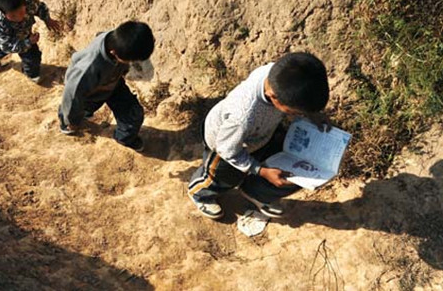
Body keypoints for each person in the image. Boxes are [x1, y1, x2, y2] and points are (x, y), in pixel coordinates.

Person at [187, 52, 330, 220]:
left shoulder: (278, 75)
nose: (298, 114)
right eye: (295, 112)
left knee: (291, 170)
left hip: (261, 134)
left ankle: (255, 193)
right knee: (223, 177)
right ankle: (200, 193)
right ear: (273, 97)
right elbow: (227, 150)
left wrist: (314, 117)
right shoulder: (242, 115)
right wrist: (260, 170)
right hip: (224, 144)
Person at [58, 21, 155, 152]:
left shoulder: (116, 38)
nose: (131, 63)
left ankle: (124, 138)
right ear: (114, 53)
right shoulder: (87, 69)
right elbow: (72, 93)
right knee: (77, 110)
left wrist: (122, 70)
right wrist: (71, 120)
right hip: (90, 91)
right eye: (129, 60)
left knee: (134, 114)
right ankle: (67, 122)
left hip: (113, 82)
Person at [0, 0, 62, 83]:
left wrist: (47, 19)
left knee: (33, 57)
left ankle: (32, 75)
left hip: (24, 34)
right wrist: (29, 42)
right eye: (13, 16)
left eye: (21, 12)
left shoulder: (30, 4)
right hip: (5, 42)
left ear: (24, 4)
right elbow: (7, 47)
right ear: (4, 14)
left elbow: (40, 7)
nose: (19, 17)